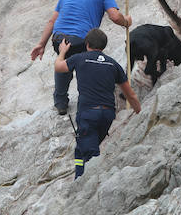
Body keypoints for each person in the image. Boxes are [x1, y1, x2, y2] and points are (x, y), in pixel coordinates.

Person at [31, 0, 132, 114]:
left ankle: (61, 103)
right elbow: (115, 16)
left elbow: (52, 21)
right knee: (88, 65)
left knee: (64, 61)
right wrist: (126, 22)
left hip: (59, 38)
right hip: (82, 40)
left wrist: (41, 44)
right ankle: (90, 102)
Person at [55, 28, 141, 179]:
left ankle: (87, 184)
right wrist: (140, 113)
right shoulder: (113, 64)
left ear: (87, 44)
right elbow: (130, 95)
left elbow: (59, 67)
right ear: (104, 46)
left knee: (91, 154)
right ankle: (79, 178)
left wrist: (62, 51)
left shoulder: (80, 58)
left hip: (88, 113)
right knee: (81, 148)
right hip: (107, 114)